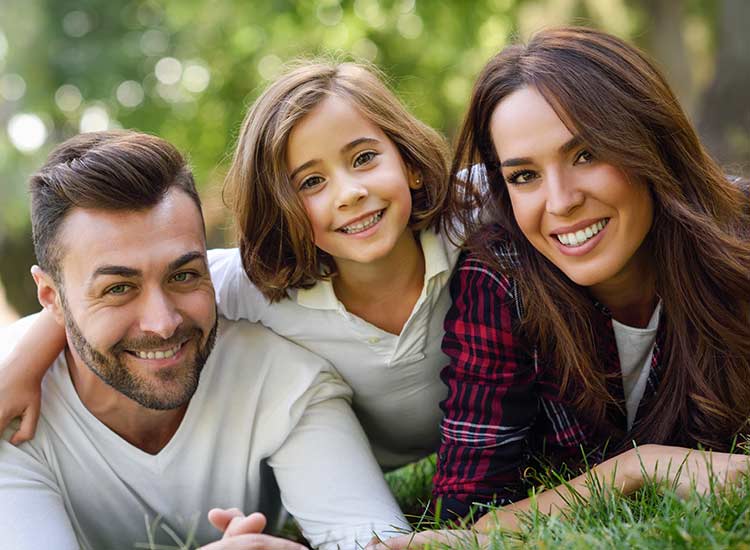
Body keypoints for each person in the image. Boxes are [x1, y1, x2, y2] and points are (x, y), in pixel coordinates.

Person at [372, 26, 750, 549]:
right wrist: (635, 468)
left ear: (650, 140)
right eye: (524, 175)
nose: (561, 201)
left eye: (587, 154)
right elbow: (465, 519)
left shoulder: (738, 242)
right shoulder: (501, 280)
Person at [0, 60, 459, 471]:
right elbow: (117, 296)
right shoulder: (252, 286)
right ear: (281, 208)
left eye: (364, 159)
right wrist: (22, 366)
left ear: (410, 161)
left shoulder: (476, 220)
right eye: (312, 181)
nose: (349, 193)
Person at [0, 130, 409, 550]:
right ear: (52, 297)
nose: (162, 323)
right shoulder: (10, 412)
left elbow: (371, 540)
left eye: (183, 276)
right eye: (118, 288)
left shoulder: (281, 378)